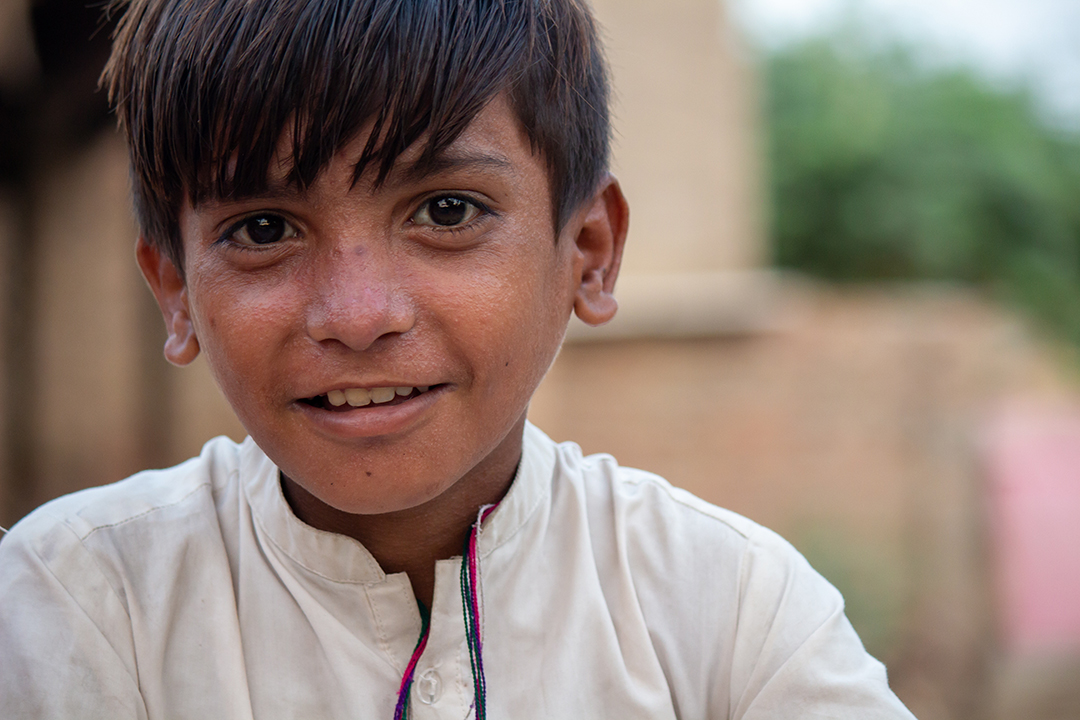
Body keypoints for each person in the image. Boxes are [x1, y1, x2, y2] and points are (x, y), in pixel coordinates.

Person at [0, 0, 916, 717]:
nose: (357, 317)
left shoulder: (730, 609)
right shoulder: (78, 600)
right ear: (175, 291)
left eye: (447, 212)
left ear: (588, 252)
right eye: (265, 230)